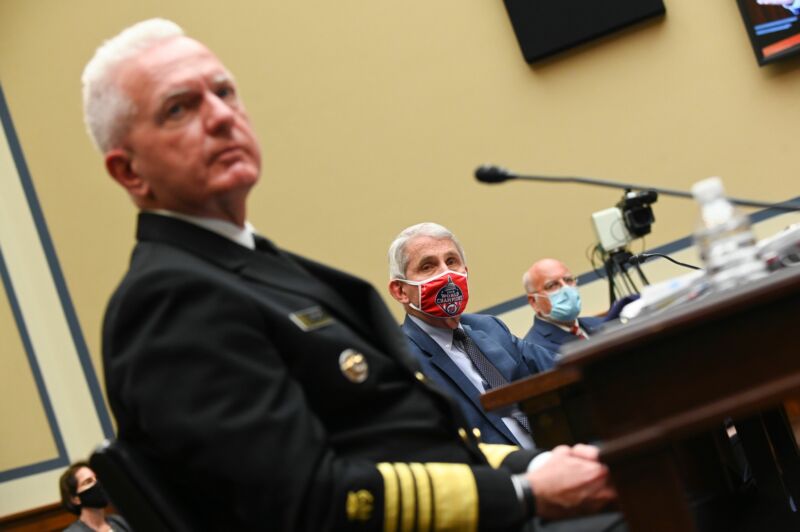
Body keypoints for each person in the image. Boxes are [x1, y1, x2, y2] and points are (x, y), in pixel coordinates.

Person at [84, 18, 623, 531]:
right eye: (179, 108)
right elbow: (302, 503)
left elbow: (415, 438)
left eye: (224, 93)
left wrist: (531, 467)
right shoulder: (171, 300)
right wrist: (523, 492)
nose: (221, 116)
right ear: (128, 170)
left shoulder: (260, 267)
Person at [387, 222, 558, 448]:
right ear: (400, 291)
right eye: (428, 266)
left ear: (465, 272)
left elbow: (556, 366)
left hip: (555, 450)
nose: (446, 274)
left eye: (451, 262)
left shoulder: (489, 327)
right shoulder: (401, 362)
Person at [522, 259, 604, 353]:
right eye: (552, 285)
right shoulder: (533, 351)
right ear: (534, 302)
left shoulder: (601, 323)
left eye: (568, 280)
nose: (566, 289)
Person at [59, 462, 131, 532]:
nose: (97, 483)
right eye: (88, 481)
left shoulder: (119, 521)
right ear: (75, 499)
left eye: (97, 478)